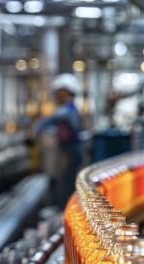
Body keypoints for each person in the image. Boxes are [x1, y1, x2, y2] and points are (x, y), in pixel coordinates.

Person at [31, 73, 84, 206]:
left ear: (68, 91)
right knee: (66, 180)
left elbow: (50, 120)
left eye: (60, 91)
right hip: (69, 149)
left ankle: (65, 211)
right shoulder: (69, 109)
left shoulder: (67, 110)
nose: (58, 95)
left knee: (67, 182)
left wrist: (35, 129)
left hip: (71, 149)